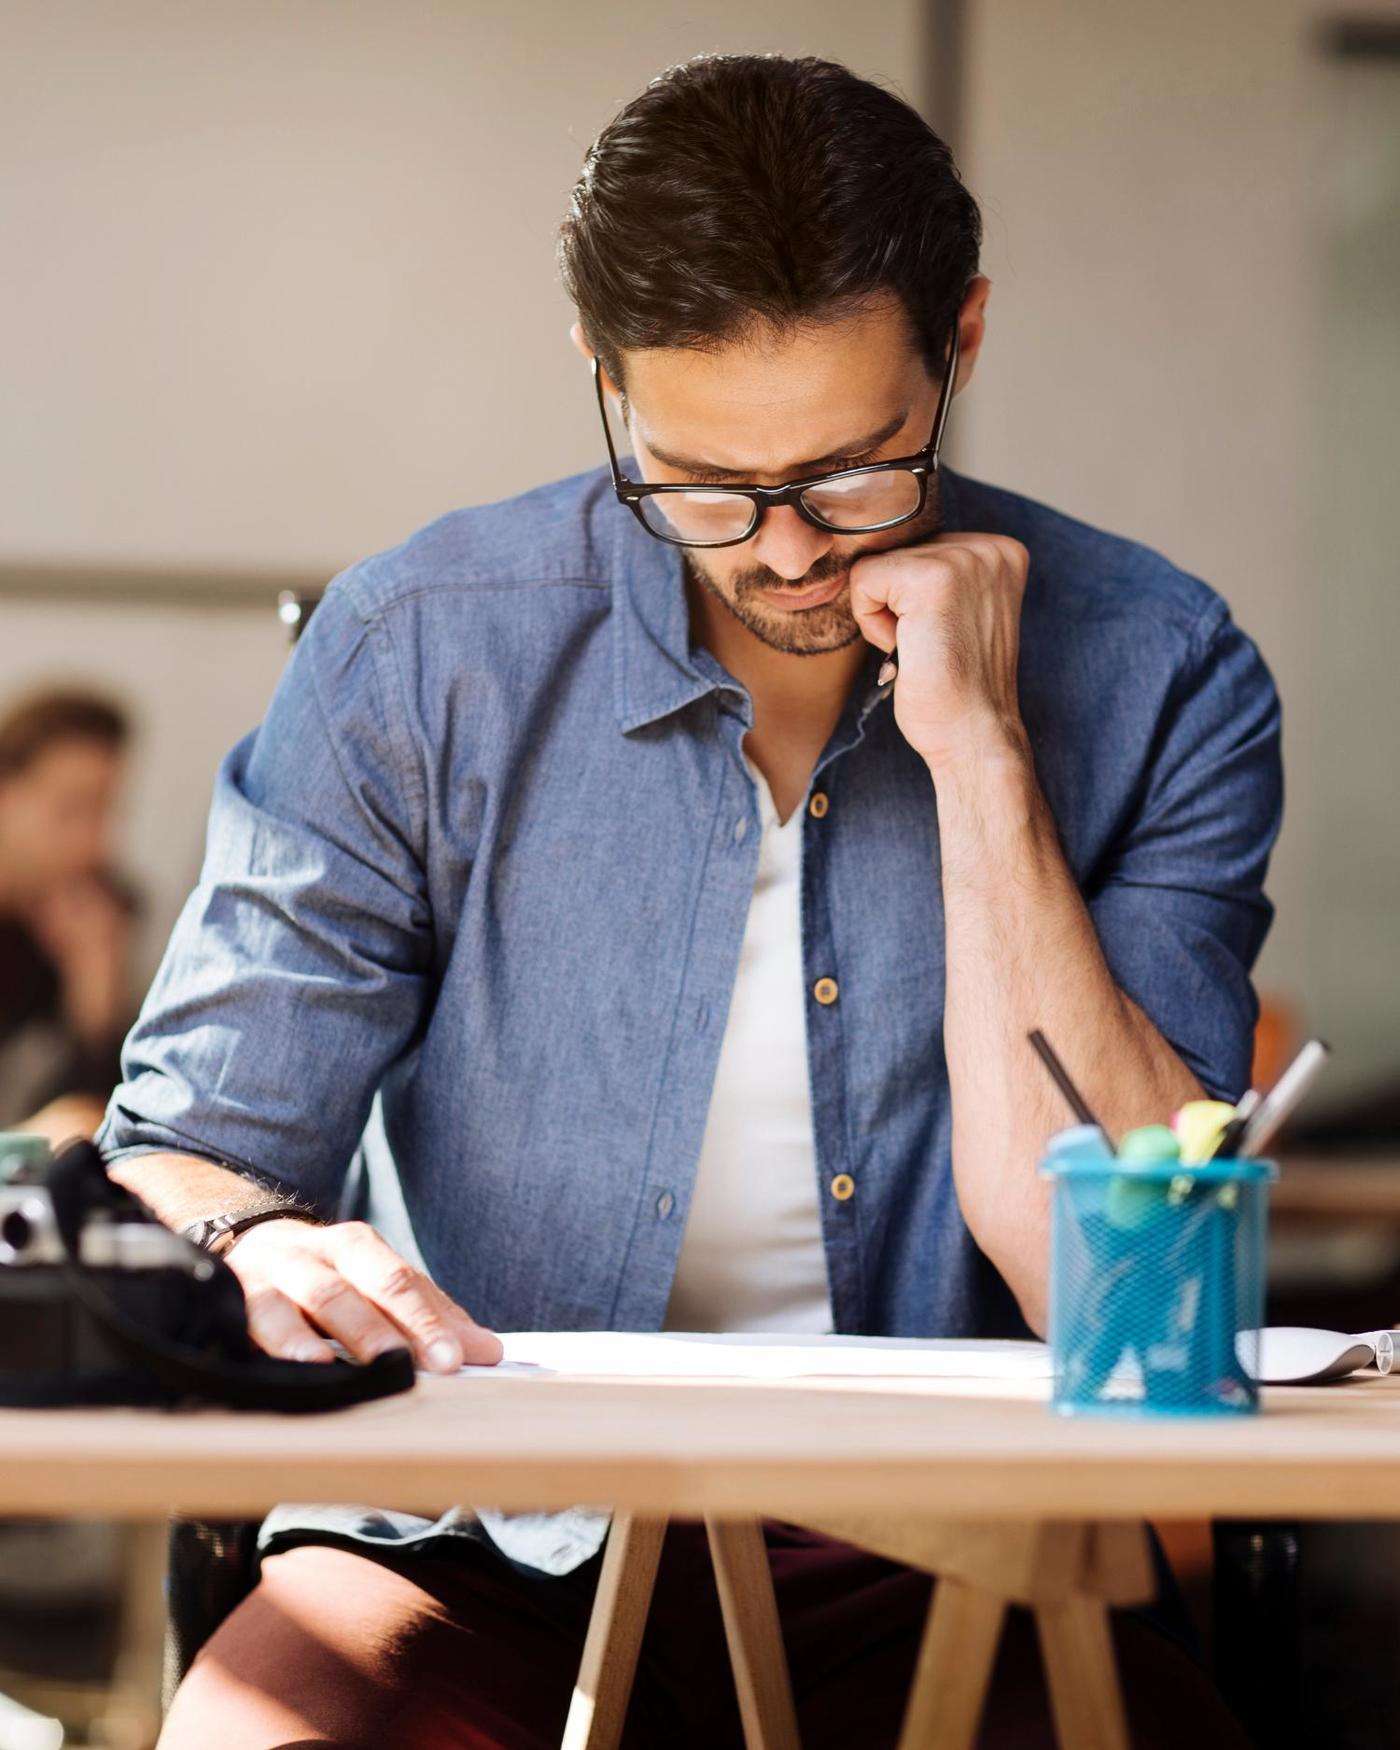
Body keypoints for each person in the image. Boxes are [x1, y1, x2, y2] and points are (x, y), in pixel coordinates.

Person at [102, 55, 1278, 1748]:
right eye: (703, 486)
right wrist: (256, 1237)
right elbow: (183, 1149)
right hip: (470, 1538)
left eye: (858, 469)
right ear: (601, 377)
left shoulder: (1163, 670)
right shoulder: (418, 655)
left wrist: (984, 757)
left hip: (957, 1553)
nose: (788, 551)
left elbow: (1122, 1291)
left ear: (964, 338)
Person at [0, 688, 137, 1139]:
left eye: (104, 812)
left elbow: (110, 1120)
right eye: (70, 810)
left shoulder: (98, 916)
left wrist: (95, 1003)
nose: (92, 843)